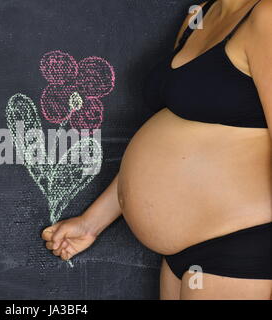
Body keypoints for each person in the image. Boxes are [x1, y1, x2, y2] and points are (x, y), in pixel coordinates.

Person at [41, 0, 272, 300]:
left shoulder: (266, 16)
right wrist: (91, 223)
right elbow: (171, 133)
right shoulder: (200, 13)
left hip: (238, 248)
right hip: (184, 254)